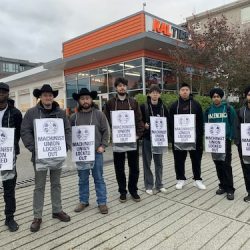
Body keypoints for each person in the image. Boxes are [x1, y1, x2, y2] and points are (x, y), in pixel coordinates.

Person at [21, 84, 71, 232]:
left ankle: (57, 210)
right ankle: (37, 216)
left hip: (56, 154)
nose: (48, 97)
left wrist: (66, 146)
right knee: (39, 187)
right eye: (45, 95)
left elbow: (67, 130)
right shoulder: (31, 113)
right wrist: (33, 148)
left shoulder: (60, 113)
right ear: (40, 97)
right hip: (40, 157)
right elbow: (25, 131)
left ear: (53, 97)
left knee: (56, 184)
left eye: (50, 95)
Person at [104, 77, 144, 202]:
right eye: (119, 85)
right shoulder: (110, 103)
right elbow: (105, 122)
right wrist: (109, 136)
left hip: (132, 139)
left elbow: (139, 119)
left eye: (124, 85)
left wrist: (138, 134)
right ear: (116, 88)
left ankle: (133, 190)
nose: (122, 87)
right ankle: (122, 191)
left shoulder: (133, 102)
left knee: (134, 167)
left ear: (127, 87)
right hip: (118, 141)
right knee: (119, 167)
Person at [70, 88, 109, 214]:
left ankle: (102, 202)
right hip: (81, 154)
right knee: (82, 179)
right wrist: (72, 146)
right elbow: (68, 133)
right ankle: (83, 201)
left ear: (91, 100)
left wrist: (103, 145)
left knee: (98, 178)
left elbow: (106, 131)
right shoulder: (73, 117)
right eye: (82, 99)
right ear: (79, 101)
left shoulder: (99, 114)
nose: (85, 101)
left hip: (96, 153)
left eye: (87, 98)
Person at [169, 83, 206, 190]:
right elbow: (170, 123)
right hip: (179, 139)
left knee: (196, 160)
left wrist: (199, 137)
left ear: (189, 91)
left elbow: (200, 122)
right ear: (179, 92)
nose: (184, 91)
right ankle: (181, 179)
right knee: (179, 160)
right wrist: (172, 137)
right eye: (182, 90)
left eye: (186, 89)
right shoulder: (174, 106)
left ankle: (197, 180)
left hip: (194, 139)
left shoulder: (196, 105)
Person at [204, 87, 236, 200]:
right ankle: (222, 185)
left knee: (226, 165)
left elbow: (233, 123)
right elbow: (205, 124)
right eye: (214, 97)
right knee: (218, 164)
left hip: (225, 141)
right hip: (214, 142)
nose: (216, 98)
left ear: (221, 97)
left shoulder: (228, 109)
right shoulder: (208, 110)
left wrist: (231, 137)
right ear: (212, 98)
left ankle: (230, 189)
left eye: (218, 96)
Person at [0, 82, 22, 232]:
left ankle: (9, 217)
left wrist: (10, 147)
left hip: (7, 156)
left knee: (9, 187)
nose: (0, 94)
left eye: (3, 91)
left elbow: (18, 133)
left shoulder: (15, 113)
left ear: (8, 93)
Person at [140, 85, 169, 195]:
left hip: (159, 140)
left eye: (157, 92)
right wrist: (144, 125)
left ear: (160, 94)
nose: (155, 94)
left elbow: (168, 122)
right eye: (153, 92)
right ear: (149, 94)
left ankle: (159, 184)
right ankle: (148, 185)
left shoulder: (163, 107)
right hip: (147, 139)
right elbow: (139, 120)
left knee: (159, 163)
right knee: (147, 163)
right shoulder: (143, 107)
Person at [235, 86, 250, 202]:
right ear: (246, 96)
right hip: (245, 147)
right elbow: (237, 128)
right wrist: (238, 143)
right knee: (246, 170)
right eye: (249, 94)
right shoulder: (240, 111)